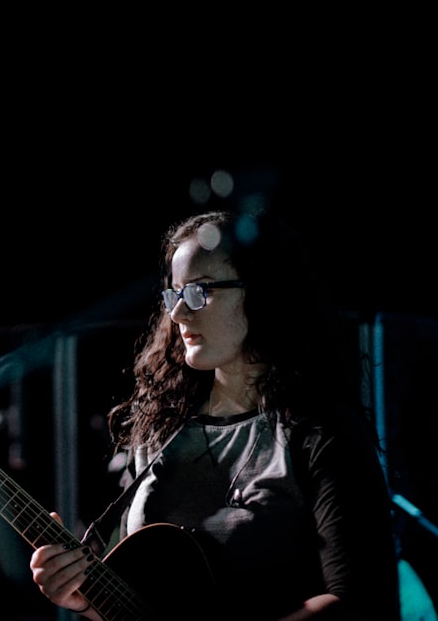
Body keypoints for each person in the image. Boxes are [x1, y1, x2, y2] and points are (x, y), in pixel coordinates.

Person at [29, 209, 401, 620]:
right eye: (174, 295)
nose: (177, 314)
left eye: (199, 292)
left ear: (264, 292)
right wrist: (84, 598)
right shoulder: (160, 433)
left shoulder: (322, 433)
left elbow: (361, 602)